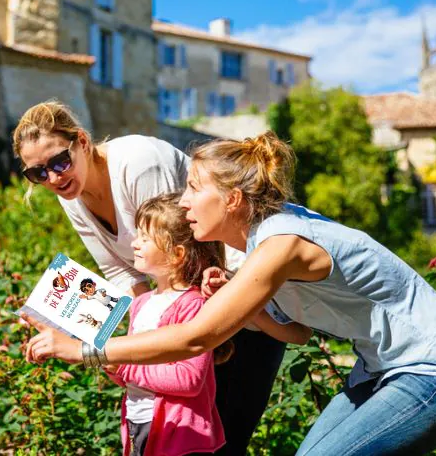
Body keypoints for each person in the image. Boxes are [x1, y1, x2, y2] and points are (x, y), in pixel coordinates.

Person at [22, 131, 436, 456]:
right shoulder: (248, 252)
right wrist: (251, 311)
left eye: (192, 188)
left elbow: (193, 339)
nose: (182, 201)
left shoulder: (279, 244)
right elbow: (299, 334)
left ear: (231, 200)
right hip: (380, 372)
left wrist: (83, 349)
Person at [12, 102, 289, 454]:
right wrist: (134, 329)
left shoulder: (137, 161)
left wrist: (125, 351)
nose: (53, 178)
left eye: (59, 162)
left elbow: (182, 249)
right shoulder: (72, 193)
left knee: (223, 440)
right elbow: (121, 271)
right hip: (189, 309)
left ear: (81, 141)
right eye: (38, 174)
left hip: (240, 301)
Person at [106, 192, 311, 456]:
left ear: (177, 254)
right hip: (139, 424)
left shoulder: (193, 304)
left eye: (145, 238)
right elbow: (134, 375)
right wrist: (114, 369)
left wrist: (125, 367)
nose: (134, 243)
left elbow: (188, 379)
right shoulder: (140, 303)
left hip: (179, 434)